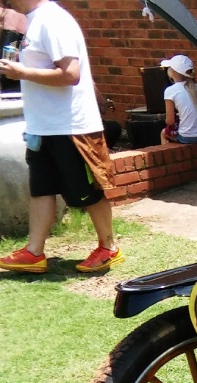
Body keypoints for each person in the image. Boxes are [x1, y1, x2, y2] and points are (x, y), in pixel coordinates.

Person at [0, 0, 122, 274]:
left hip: (71, 127)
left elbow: (70, 74)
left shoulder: (53, 20)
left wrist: (21, 72)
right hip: (42, 127)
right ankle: (34, 253)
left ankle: (108, 247)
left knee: (88, 192)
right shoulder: (33, 20)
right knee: (41, 190)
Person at [158, 54, 197, 145]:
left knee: (164, 133)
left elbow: (170, 121)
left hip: (189, 137)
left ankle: (167, 153)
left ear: (173, 72)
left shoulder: (170, 90)